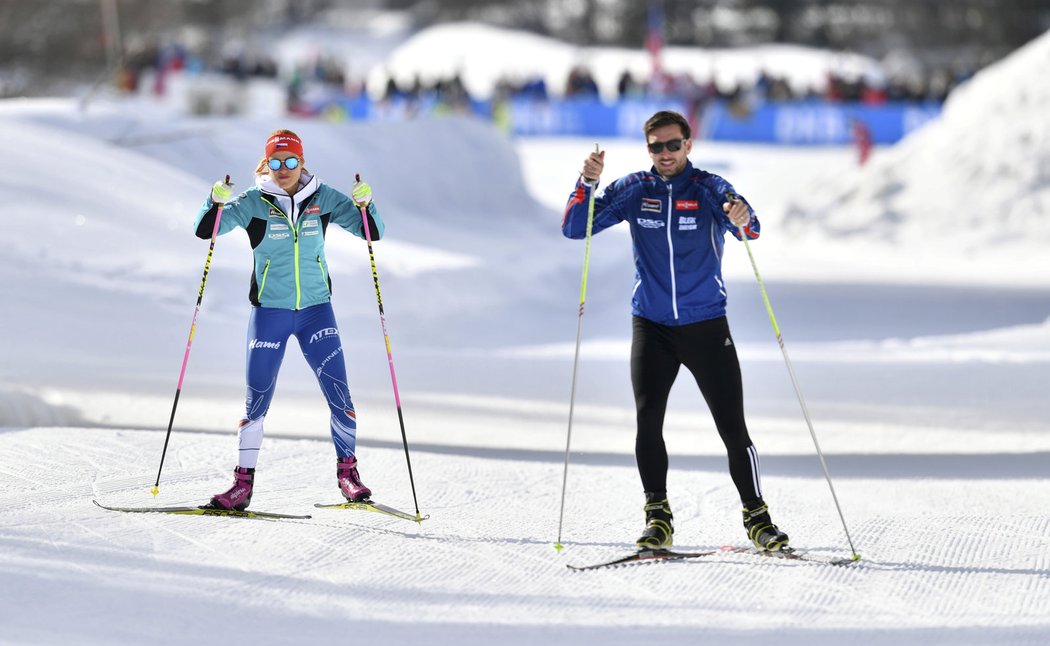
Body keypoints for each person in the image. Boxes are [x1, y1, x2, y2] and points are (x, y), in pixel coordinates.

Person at [561, 110, 789, 552]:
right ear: (648, 149)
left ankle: (757, 516)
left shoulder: (708, 188)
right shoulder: (634, 190)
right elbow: (575, 227)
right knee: (648, 422)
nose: (664, 154)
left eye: (672, 145)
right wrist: (586, 183)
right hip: (652, 325)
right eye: (656, 147)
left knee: (732, 428)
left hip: (706, 324)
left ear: (688, 145)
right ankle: (658, 517)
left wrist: (742, 214)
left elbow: (750, 228)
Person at [193, 129, 383, 511]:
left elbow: (370, 231)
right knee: (256, 402)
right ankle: (242, 486)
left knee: (340, 395)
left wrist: (368, 204)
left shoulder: (324, 199)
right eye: (276, 162)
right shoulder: (252, 203)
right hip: (270, 313)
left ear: (302, 162)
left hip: (316, 312)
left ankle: (348, 474)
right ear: (267, 163)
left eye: (291, 161)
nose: (284, 170)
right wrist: (213, 202)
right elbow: (206, 231)